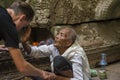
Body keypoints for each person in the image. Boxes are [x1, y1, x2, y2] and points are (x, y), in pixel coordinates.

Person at [0, 1, 56, 80]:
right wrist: (42, 73)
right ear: (22, 18)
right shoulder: (9, 27)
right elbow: (22, 67)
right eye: (24, 26)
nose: (20, 30)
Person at [22, 26, 91, 80]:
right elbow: (34, 52)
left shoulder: (76, 54)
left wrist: (55, 77)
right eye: (57, 34)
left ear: (68, 42)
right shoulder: (54, 48)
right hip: (58, 77)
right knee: (33, 73)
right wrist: (24, 43)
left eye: (61, 35)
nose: (57, 36)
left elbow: (78, 79)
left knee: (58, 60)